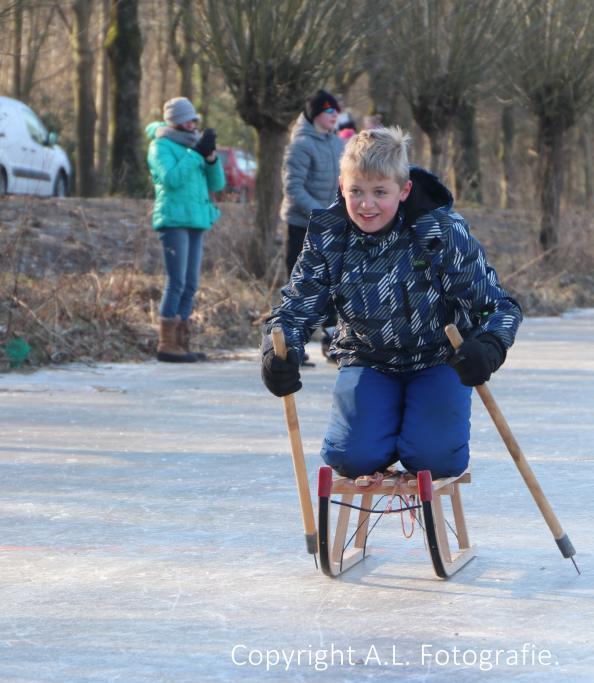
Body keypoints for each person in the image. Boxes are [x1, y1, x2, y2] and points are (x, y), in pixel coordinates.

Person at [260, 127, 522, 482]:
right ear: (341, 186)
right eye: (356, 191)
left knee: (435, 460)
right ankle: (380, 432)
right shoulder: (330, 235)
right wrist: (278, 350)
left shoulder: (439, 231)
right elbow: (295, 309)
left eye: (380, 192)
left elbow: (498, 306)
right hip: (366, 359)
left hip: (438, 359)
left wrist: (489, 346)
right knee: (351, 458)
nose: (366, 204)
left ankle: (417, 434)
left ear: (404, 190)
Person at [146, 97, 225, 363]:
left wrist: (211, 158)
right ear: (175, 121)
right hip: (173, 220)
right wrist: (196, 154)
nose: (193, 124)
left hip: (196, 220)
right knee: (176, 281)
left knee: (191, 284)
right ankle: (167, 343)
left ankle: (182, 342)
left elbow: (218, 184)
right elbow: (171, 179)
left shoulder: (195, 146)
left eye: (194, 119)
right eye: (188, 119)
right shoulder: (160, 146)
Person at [281, 89, 346, 275]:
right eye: (329, 110)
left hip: (332, 226)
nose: (335, 114)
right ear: (315, 113)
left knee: (327, 280)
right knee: (299, 280)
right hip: (303, 226)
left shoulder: (338, 143)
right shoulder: (301, 145)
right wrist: (320, 215)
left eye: (336, 110)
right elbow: (293, 187)